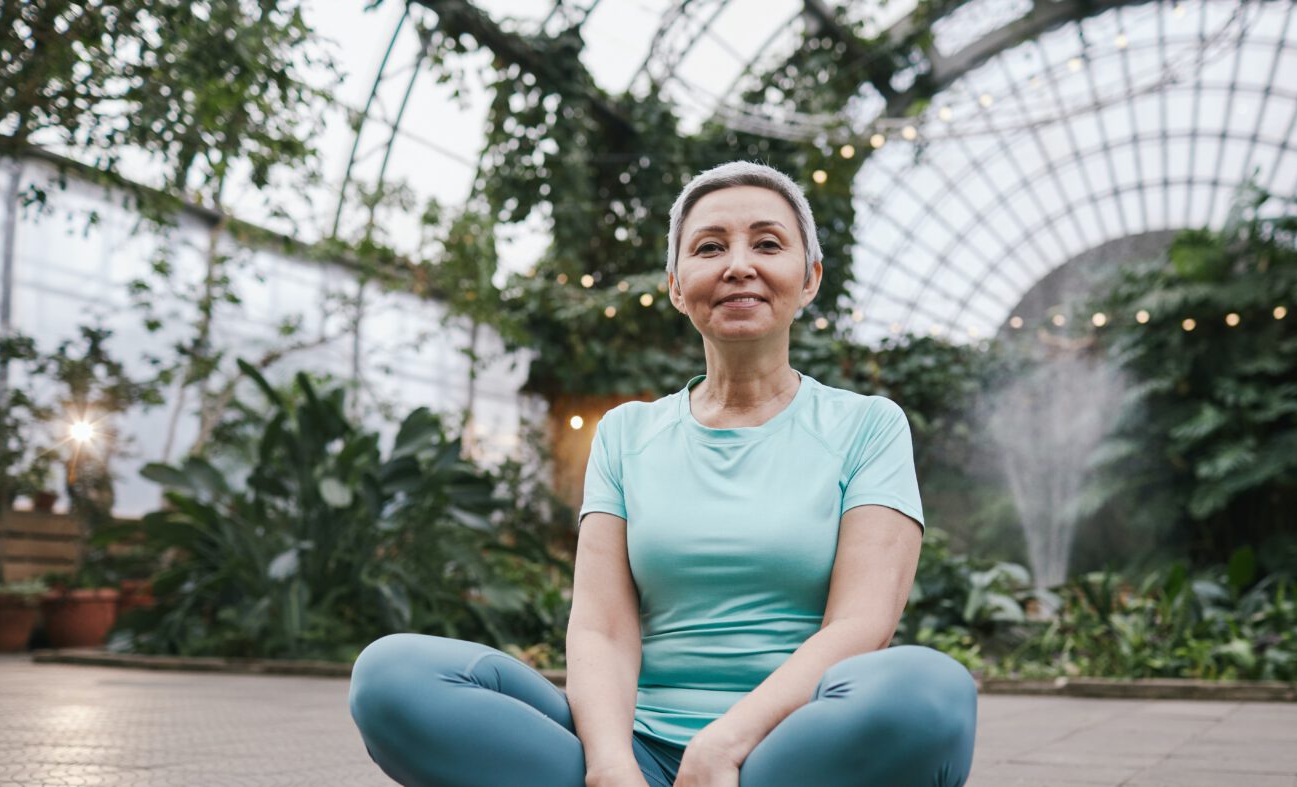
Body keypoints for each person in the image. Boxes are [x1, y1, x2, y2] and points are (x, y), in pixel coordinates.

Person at [348, 161, 978, 787]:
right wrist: (611, 765)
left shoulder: (868, 426)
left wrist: (724, 745)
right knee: (393, 676)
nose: (738, 265)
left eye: (767, 243)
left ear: (808, 277)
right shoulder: (626, 434)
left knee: (929, 691)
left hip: (791, 752)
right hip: (636, 754)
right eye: (709, 247)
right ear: (678, 285)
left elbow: (861, 624)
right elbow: (601, 628)